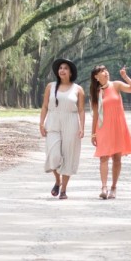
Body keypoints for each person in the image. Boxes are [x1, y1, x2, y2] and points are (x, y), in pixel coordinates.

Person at [89, 65, 131, 199]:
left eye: (106, 70)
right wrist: (93, 133)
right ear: (96, 76)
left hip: (118, 126)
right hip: (103, 127)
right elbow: (95, 115)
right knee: (103, 156)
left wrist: (125, 77)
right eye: (102, 72)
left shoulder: (116, 85)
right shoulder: (96, 92)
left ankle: (113, 187)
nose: (105, 73)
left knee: (117, 158)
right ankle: (104, 187)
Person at [39, 57, 85, 199]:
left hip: (71, 123)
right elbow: (45, 106)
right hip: (53, 122)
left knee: (69, 156)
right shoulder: (50, 86)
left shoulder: (78, 89)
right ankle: (57, 181)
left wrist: (82, 127)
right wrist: (41, 123)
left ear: (71, 72)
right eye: (60, 68)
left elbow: (82, 110)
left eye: (65, 68)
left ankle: (63, 189)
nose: (62, 70)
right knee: (53, 155)